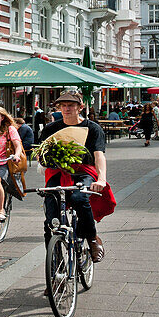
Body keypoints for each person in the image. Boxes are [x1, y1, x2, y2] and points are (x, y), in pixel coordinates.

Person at [39, 90, 108, 263]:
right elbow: (41, 155)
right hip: (57, 172)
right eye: (63, 105)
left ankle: (92, 238)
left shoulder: (93, 128)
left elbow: (99, 155)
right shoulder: (51, 128)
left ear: (80, 107)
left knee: (79, 197)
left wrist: (101, 179)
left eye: (71, 105)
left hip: (84, 171)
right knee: (51, 221)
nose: (66, 108)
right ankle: (54, 266)